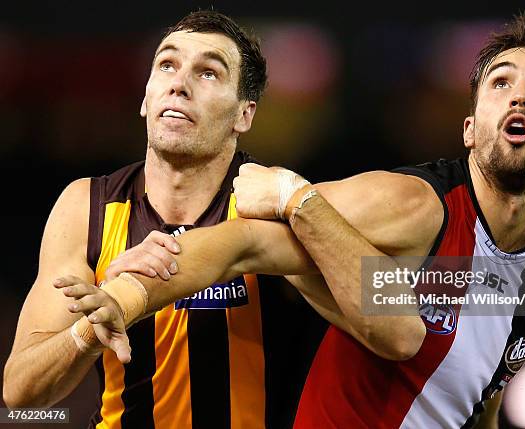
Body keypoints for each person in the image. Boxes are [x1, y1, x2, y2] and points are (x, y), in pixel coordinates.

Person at [37, 12, 525, 428]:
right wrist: (126, 297)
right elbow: (243, 239)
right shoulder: (412, 205)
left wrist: (295, 198)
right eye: (500, 83)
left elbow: (483, 399)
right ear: (469, 127)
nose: (520, 97)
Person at [0, 9, 300, 429]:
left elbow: (386, 309)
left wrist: (306, 208)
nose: (179, 84)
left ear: (243, 115)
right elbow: (19, 394)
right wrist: (93, 325)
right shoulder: (88, 206)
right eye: (167, 65)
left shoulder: (272, 201)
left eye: (209, 73)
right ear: (145, 98)